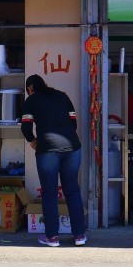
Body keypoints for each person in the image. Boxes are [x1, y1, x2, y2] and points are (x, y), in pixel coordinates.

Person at [20, 74, 87, 247]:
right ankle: (80, 235)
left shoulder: (31, 100)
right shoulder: (62, 96)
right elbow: (73, 122)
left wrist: (32, 140)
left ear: (30, 88)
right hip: (72, 148)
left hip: (47, 149)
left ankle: (52, 237)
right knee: (72, 190)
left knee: (49, 193)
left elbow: (26, 127)